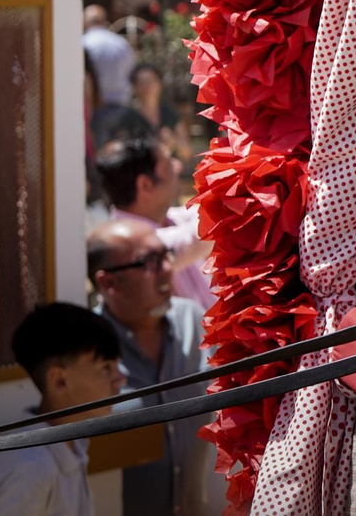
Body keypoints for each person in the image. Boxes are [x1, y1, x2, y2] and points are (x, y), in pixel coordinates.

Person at [87, 219, 219, 516]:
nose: (168, 269)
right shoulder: (85, 354)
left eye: (166, 255)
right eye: (149, 262)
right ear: (108, 283)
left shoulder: (195, 322)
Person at [0, 303, 125, 516]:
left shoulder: (74, 442)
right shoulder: (31, 467)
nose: (121, 378)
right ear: (59, 381)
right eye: (105, 368)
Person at [95, 138, 213, 310]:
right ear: (146, 185)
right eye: (168, 165)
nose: (178, 166)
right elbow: (205, 229)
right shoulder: (125, 248)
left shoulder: (170, 219)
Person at [130, 63, 189, 164]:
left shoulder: (170, 114)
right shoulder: (128, 117)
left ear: (160, 84)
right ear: (135, 87)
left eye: (150, 81)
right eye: (142, 82)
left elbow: (186, 152)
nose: (147, 86)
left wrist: (173, 141)